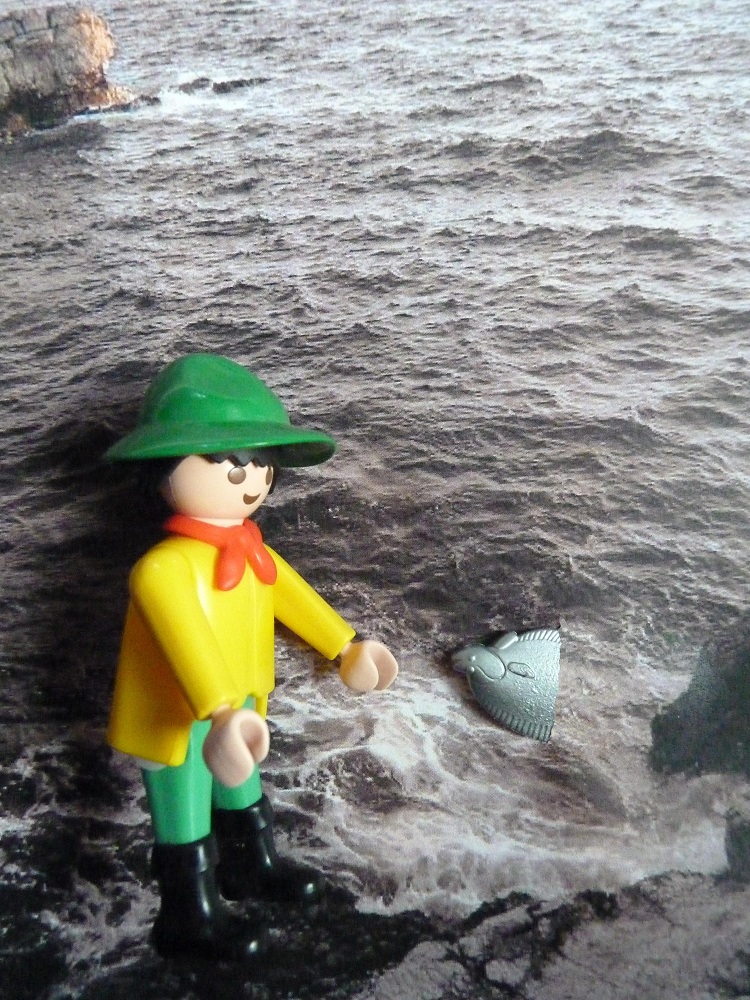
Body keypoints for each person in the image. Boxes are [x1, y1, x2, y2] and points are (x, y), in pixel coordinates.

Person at [104, 353, 398, 961]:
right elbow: (183, 638)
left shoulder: (253, 552)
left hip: (236, 703)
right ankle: (186, 915)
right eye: (232, 466)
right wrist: (217, 710)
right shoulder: (162, 569)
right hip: (175, 716)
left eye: (261, 465)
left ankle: (252, 867)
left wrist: (345, 647)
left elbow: (294, 599)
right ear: (162, 467)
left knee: (241, 786)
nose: (251, 480)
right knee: (185, 807)